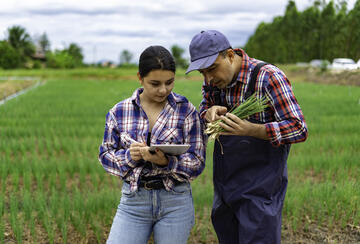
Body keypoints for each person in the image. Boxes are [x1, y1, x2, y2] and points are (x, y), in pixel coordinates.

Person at [186, 30, 308, 244]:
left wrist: (251, 129)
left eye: (212, 69)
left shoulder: (268, 77)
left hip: (261, 188)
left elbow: (298, 128)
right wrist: (208, 112)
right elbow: (204, 108)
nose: (208, 79)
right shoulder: (214, 82)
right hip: (225, 187)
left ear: (230, 55)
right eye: (202, 73)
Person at [98, 45, 206, 244]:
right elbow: (105, 156)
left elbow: (197, 162)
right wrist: (131, 156)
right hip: (134, 201)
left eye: (169, 82)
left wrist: (167, 162)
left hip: (176, 201)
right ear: (140, 77)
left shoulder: (186, 111)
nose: (163, 90)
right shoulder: (119, 111)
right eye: (155, 83)